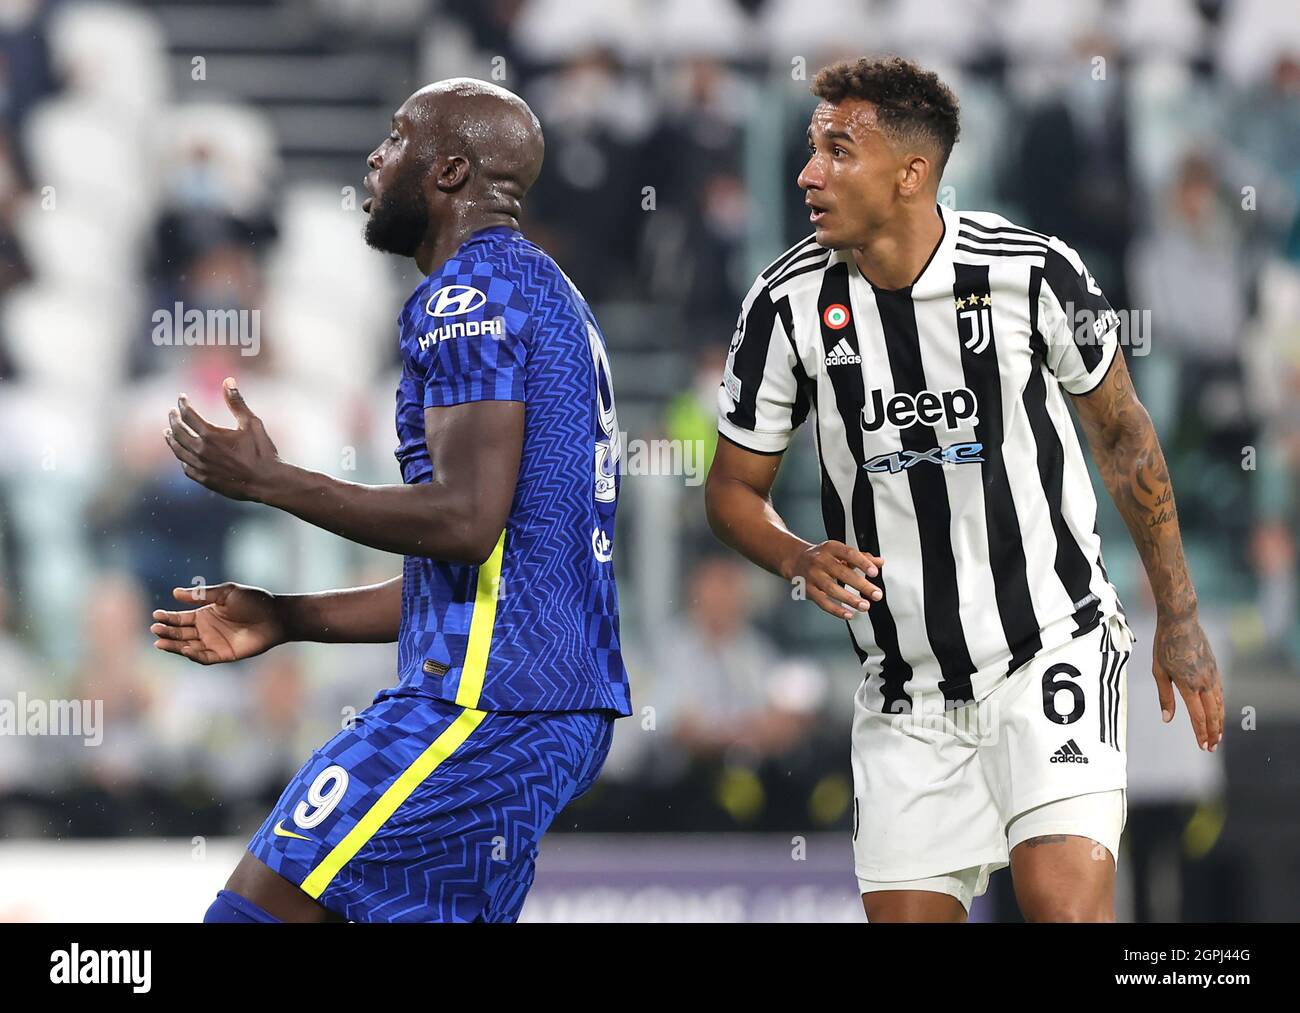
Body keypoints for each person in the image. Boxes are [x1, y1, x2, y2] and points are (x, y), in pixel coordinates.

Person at [704, 57, 1224, 923]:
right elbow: (729, 490)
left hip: (1049, 648)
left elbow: (1126, 437)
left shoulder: (1033, 274)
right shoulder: (784, 305)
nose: (807, 173)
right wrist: (796, 553)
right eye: (809, 149)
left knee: (1063, 910)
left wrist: (1179, 614)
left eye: (837, 150)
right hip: (903, 691)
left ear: (912, 174)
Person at [150, 79, 631, 922]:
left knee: (251, 913)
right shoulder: (544, 294)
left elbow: (463, 522)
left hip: (485, 707)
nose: (376, 156)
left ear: (448, 171)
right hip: (541, 706)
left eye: (398, 137)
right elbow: (497, 571)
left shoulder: (468, 296)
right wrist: (290, 615)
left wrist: (272, 481)